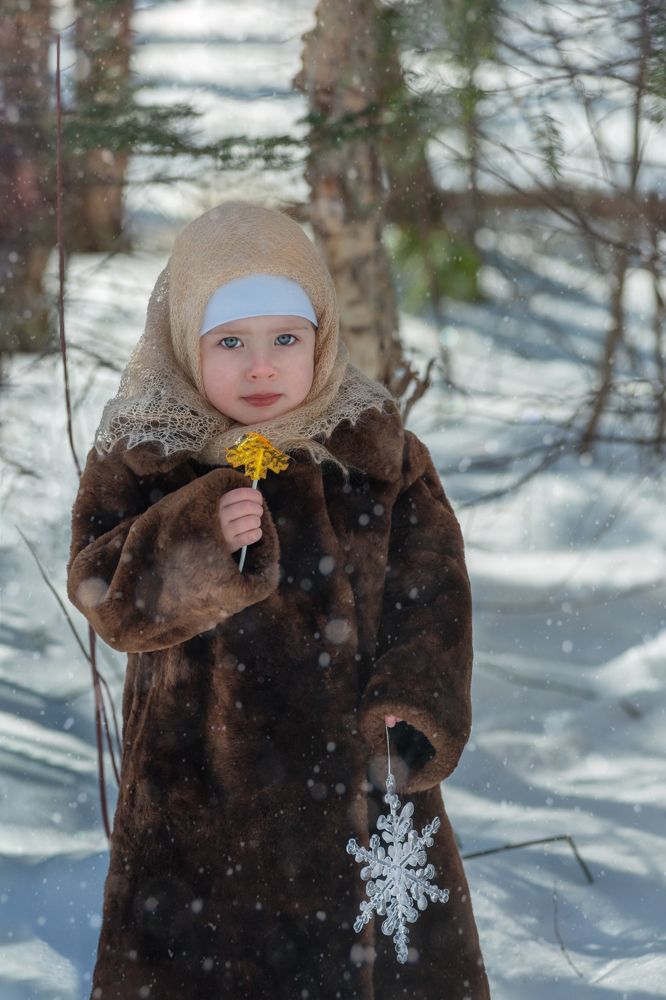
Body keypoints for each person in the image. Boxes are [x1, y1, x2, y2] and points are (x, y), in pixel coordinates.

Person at [67, 200, 490, 1000]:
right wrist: (194, 537)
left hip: (361, 781)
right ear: (186, 343)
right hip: (200, 795)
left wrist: (414, 698)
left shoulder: (374, 457)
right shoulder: (151, 458)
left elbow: (432, 591)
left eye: (284, 339)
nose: (261, 366)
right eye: (230, 342)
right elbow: (107, 596)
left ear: (321, 338)